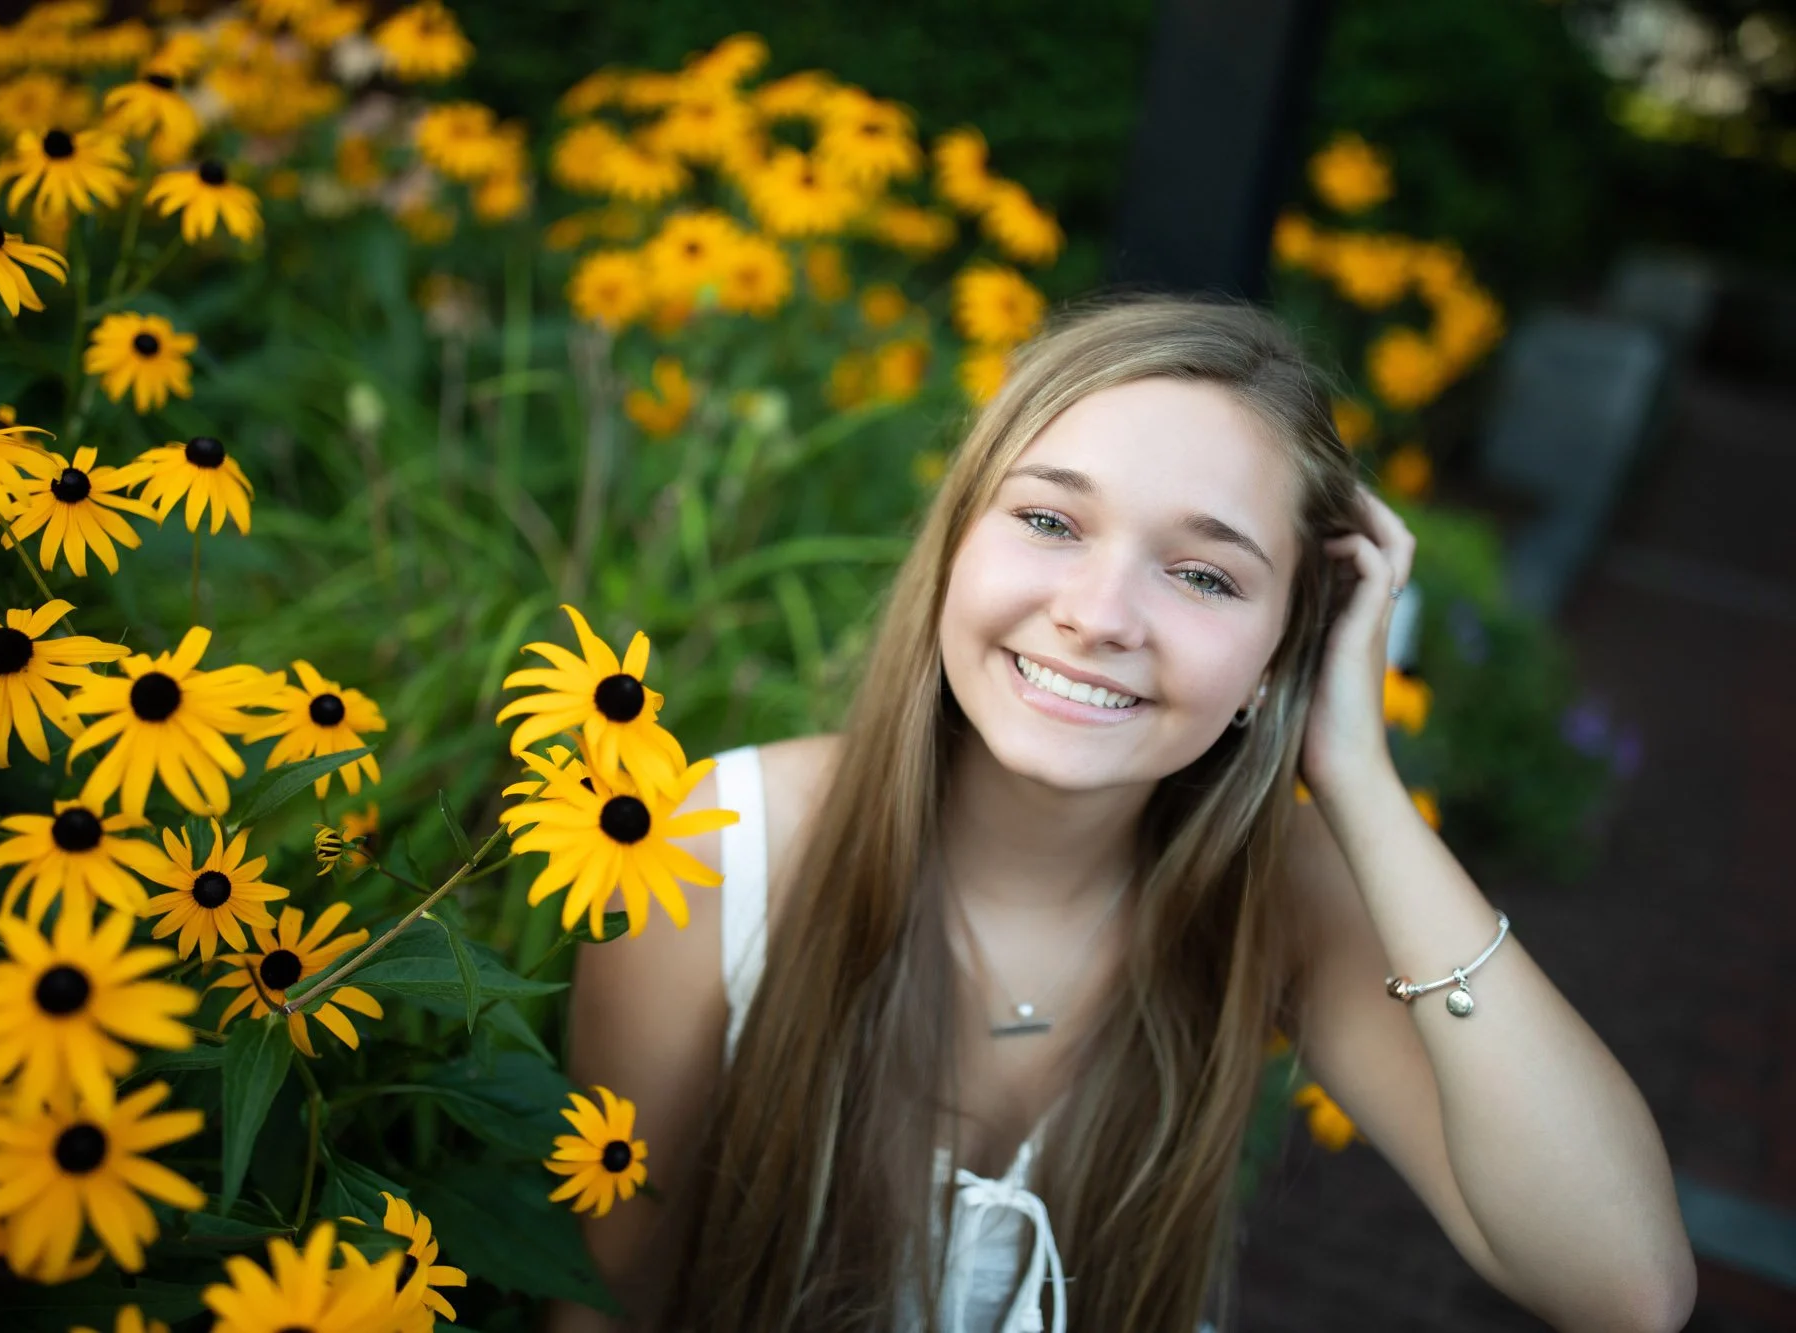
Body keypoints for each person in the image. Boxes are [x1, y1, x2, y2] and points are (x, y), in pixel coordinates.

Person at [544, 297, 1695, 1332]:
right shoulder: (719, 843)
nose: (1099, 616)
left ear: (1280, 650)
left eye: (1203, 576)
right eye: (1048, 521)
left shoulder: (1273, 890)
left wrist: (1356, 778)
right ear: (955, 544)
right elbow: (608, 1296)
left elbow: (1619, 1285)